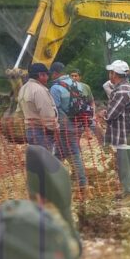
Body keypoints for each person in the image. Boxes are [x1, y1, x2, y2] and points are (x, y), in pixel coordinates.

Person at [101, 60, 130, 200]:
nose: (109, 74)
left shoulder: (122, 91)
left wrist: (103, 114)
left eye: (111, 72)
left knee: (125, 165)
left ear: (115, 74)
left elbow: (112, 114)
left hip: (125, 133)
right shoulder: (128, 87)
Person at [49, 62, 89, 192]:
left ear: (55, 73)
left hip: (65, 126)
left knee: (74, 152)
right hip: (79, 122)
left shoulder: (55, 88)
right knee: (59, 153)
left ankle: (82, 182)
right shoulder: (77, 84)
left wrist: (55, 126)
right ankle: (54, 178)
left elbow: (54, 108)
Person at [18, 63, 58, 152]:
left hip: (30, 131)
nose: (48, 77)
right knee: (47, 162)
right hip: (42, 132)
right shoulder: (39, 90)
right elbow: (47, 114)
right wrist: (55, 129)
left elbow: (19, 111)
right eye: (47, 75)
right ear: (41, 75)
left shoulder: (23, 89)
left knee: (39, 162)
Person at [69, 68, 104, 144]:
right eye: (72, 76)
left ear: (80, 77)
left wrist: (93, 114)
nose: (74, 78)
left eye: (76, 76)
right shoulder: (68, 87)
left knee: (98, 130)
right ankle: (77, 154)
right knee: (75, 139)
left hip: (87, 115)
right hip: (75, 118)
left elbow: (91, 101)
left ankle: (106, 149)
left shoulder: (86, 87)